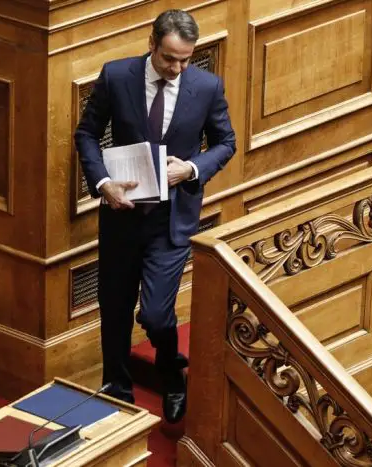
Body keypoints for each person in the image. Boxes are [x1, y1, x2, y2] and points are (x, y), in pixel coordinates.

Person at [74, 9, 236, 423]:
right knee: (114, 306)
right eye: (170, 59)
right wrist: (102, 181)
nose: (178, 68)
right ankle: (117, 388)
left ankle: (170, 371)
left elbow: (225, 142)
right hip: (122, 213)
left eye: (185, 59)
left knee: (156, 314)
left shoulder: (205, 86)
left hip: (171, 221)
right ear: (152, 44)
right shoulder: (116, 76)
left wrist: (193, 168)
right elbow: (87, 133)